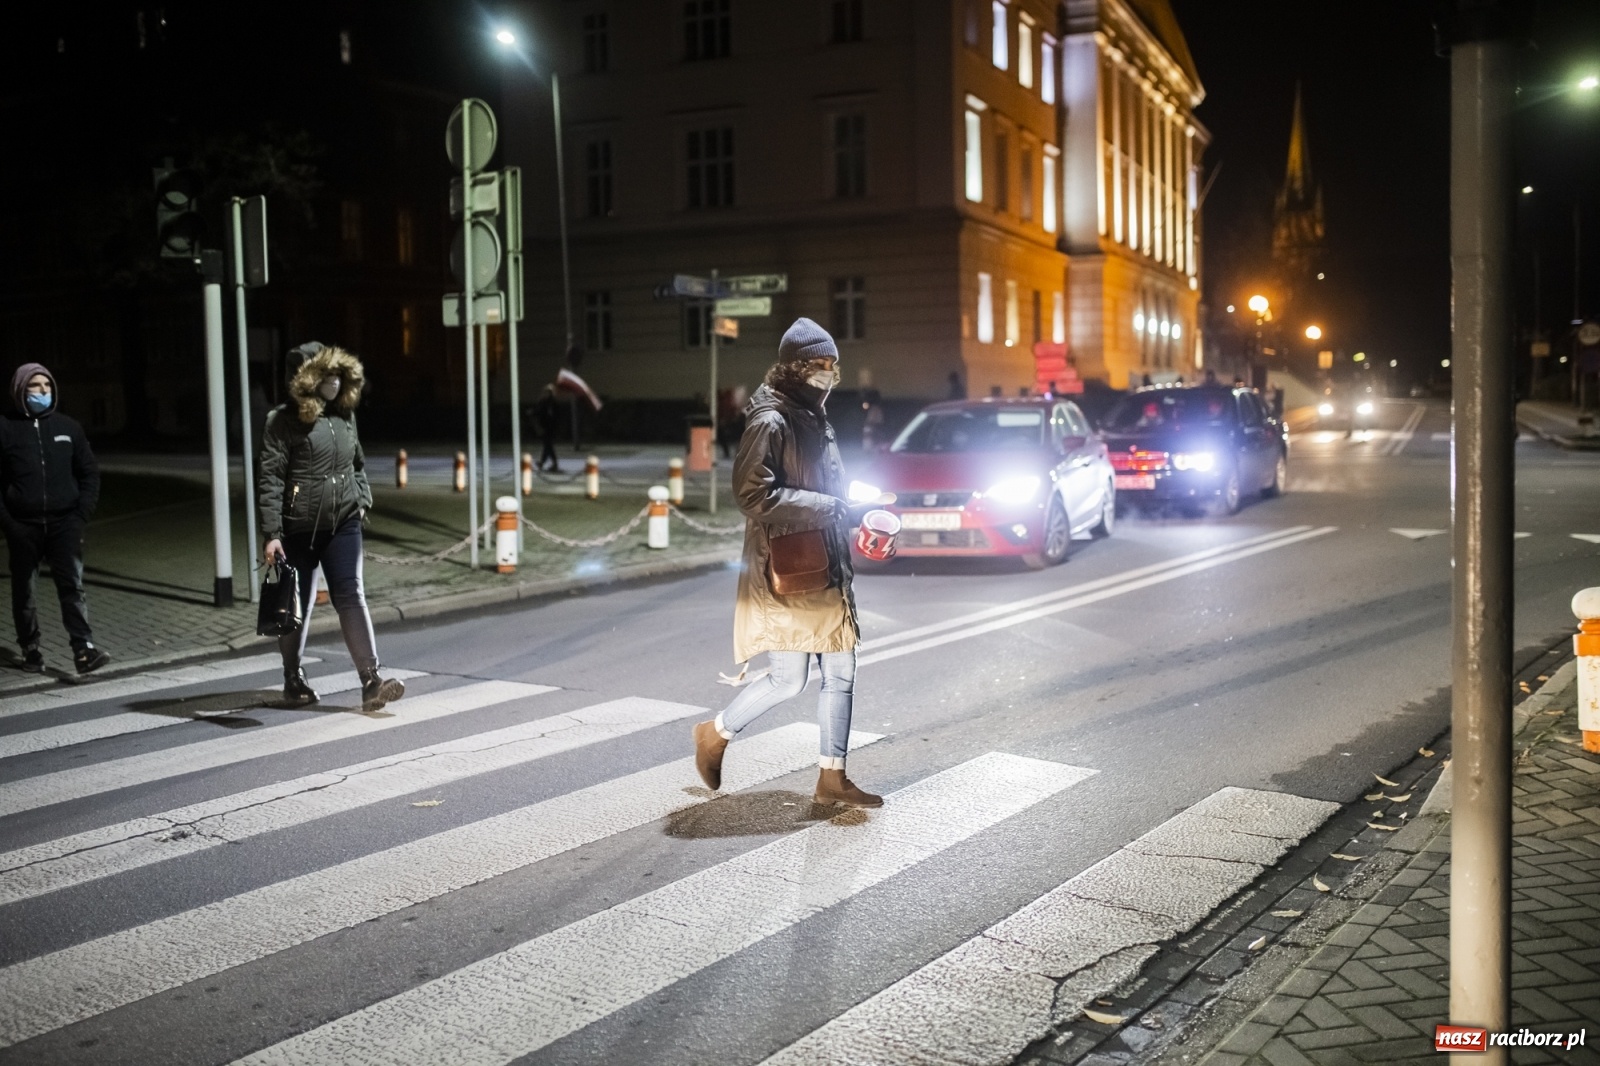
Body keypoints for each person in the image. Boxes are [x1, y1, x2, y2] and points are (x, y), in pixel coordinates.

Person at [691, 318, 881, 810]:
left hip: (821, 559)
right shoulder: (772, 418)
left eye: (832, 367)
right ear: (796, 367)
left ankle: (831, 777)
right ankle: (714, 734)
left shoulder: (813, 416)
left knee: (837, 671)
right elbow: (753, 493)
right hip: (790, 567)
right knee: (789, 678)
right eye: (819, 365)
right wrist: (828, 508)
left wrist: (856, 521)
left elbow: (829, 489)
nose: (828, 374)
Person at [258, 342, 405, 712]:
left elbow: (357, 462)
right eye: (327, 375)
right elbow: (271, 477)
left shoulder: (344, 416)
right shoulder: (282, 420)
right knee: (298, 604)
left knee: (351, 594)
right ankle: (293, 678)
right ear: (305, 378)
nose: (335, 382)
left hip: (343, 523)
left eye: (338, 374)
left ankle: (371, 681)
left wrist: (361, 498)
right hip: (297, 529)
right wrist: (272, 533)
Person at [0, 363, 108, 674]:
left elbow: (89, 474)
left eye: (47, 386)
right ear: (21, 390)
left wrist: (79, 517)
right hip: (23, 527)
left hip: (64, 525)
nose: (43, 392)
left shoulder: (68, 427)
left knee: (72, 586)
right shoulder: (5, 429)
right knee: (25, 591)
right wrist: (9, 524)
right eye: (35, 386)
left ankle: (83, 649)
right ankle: (30, 648)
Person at [533, 384, 563, 473]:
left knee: (548, 445)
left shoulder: (549, 402)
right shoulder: (548, 402)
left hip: (548, 427)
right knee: (547, 445)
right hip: (548, 426)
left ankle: (550, 463)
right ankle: (545, 462)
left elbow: (542, 413)